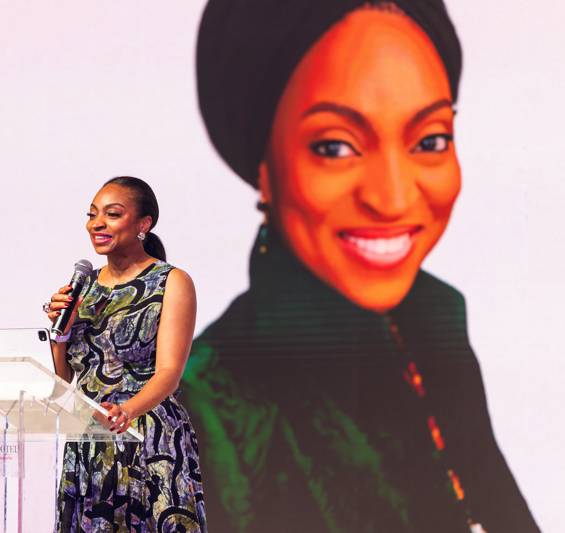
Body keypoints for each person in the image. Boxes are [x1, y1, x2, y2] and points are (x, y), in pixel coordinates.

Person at [182, 1, 540, 532]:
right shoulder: (206, 403)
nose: (393, 198)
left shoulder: (437, 320)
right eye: (335, 146)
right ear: (264, 166)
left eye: (430, 140)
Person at [45, 176, 207, 533]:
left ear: (143, 224)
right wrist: (61, 333)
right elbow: (66, 379)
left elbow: (169, 373)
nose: (97, 223)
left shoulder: (171, 281)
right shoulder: (82, 287)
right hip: (91, 439)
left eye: (112, 214)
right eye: (92, 215)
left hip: (147, 435)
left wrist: (126, 411)